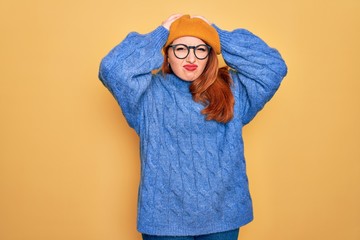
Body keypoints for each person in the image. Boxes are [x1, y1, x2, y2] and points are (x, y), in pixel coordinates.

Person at [98, 14, 287, 240]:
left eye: (200, 49)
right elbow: (111, 69)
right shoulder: (147, 94)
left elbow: (274, 67)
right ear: (166, 52)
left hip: (223, 216)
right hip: (164, 220)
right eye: (180, 49)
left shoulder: (232, 89)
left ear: (210, 53)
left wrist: (218, 35)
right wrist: (160, 33)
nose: (191, 57)